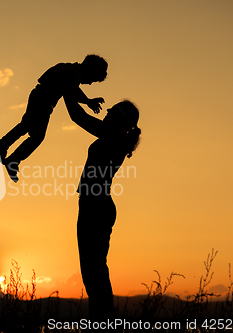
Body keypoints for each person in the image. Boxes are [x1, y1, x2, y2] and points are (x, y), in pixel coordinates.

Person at [63, 93, 141, 322]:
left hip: (96, 207)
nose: (106, 112)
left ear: (120, 118)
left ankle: (103, 324)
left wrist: (66, 90)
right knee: (93, 273)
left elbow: (79, 117)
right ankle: (102, 323)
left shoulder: (115, 134)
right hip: (93, 205)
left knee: (94, 274)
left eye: (112, 110)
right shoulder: (116, 135)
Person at [0, 54, 108, 182]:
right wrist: (88, 102)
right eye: (94, 78)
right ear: (90, 70)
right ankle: (10, 156)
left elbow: (73, 89)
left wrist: (88, 101)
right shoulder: (75, 74)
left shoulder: (71, 69)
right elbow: (72, 92)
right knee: (36, 136)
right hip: (43, 100)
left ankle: (3, 147)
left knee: (26, 126)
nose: (91, 83)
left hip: (39, 96)